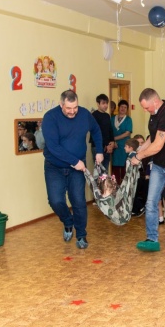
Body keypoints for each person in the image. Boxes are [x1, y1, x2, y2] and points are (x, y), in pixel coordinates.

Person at [42, 89, 103, 250]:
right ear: (61, 104)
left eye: (75, 107)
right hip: (54, 167)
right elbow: (53, 147)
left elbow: (96, 130)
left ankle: (81, 235)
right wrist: (74, 161)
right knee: (55, 201)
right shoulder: (50, 118)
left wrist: (99, 150)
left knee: (78, 201)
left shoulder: (84, 114)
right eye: (68, 108)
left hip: (77, 168)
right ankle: (68, 222)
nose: (72, 111)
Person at [130, 89, 165, 252]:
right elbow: (152, 138)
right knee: (151, 201)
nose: (145, 110)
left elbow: (158, 145)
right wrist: (139, 150)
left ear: (155, 102)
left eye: (146, 107)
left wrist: (139, 156)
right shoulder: (154, 114)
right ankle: (152, 238)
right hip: (159, 166)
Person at [91, 94, 115, 170]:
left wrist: (112, 142)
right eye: (103, 103)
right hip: (97, 146)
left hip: (107, 146)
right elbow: (96, 132)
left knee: (105, 169)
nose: (106, 105)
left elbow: (110, 129)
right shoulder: (94, 115)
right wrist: (106, 144)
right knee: (98, 170)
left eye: (107, 103)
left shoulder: (107, 115)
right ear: (98, 104)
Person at [111, 100, 133, 183]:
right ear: (118, 107)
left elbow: (127, 133)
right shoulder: (112, 118)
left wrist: (115, 138)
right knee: (114, 166)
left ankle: (124, 186)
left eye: (125, 107)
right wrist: (112, 141)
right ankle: (115, 186)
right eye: (121, 107)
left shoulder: (128, 119)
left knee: (124, 166)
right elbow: (109, 130)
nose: (123, 109)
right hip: (114, 146)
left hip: (124, 146)